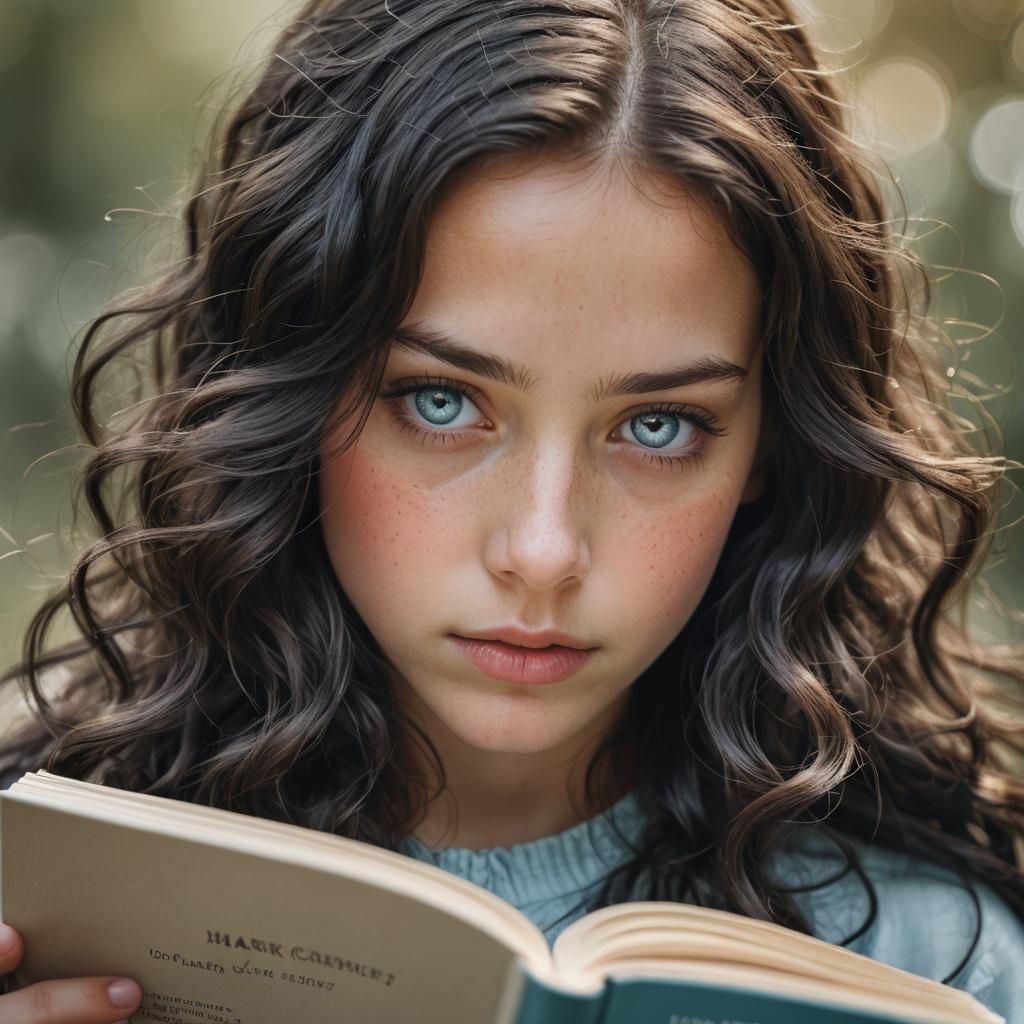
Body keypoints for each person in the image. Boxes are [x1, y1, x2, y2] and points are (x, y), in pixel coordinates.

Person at [2, 0, 1023, 1020]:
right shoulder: (39, 892)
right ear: (291, 390)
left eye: (659, 425)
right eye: (441, 402)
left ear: (773, 445)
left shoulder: (932, 967)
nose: (542, 551)